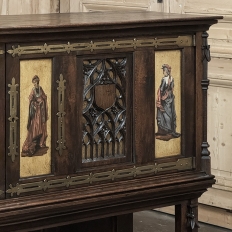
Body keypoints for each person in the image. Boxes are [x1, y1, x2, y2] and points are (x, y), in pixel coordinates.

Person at [21, 75, 48, 156]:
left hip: (41, 111)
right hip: (35, 112)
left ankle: (40, 143)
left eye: (35, 83)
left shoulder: (40, 89)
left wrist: (42, 101)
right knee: (34, 126)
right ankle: (32, 143)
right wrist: (35, 104)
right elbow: (30, 99)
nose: (34, 84)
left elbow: (44, 97)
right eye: (33, 83)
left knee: (41, 126)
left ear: (37, 82)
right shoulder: (33, 90)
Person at [156, 64, 181, 141]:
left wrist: (160, 94)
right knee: (171, 113)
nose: (163, 72)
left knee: (164, 113)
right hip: (170, 98)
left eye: (164, 71)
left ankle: (166, 130)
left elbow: (162, 89)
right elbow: (172, 88)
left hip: (165, 98)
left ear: (166, 71)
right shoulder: (172, 78)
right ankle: (171, 130)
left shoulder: (164, 79)